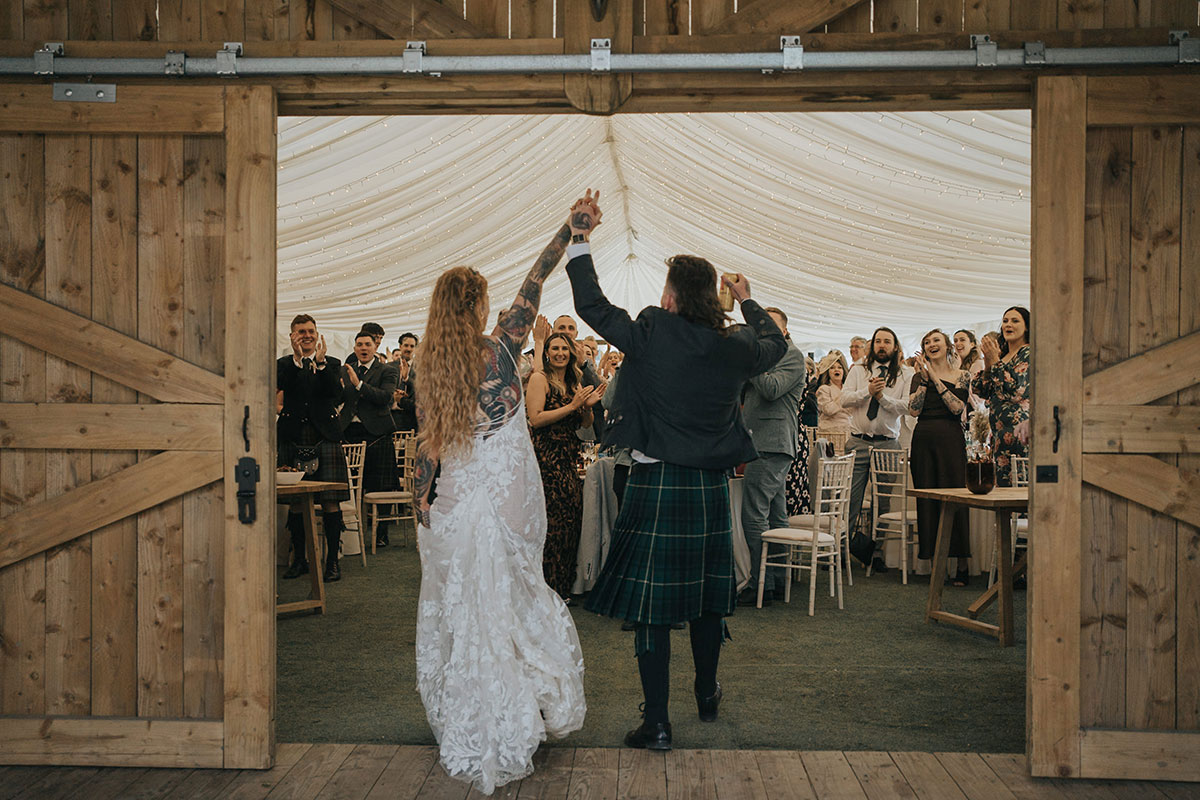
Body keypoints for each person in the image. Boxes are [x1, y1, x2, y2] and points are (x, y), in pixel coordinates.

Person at [567, 198, 786, 752]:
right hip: (709, 487)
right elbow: (777, 343)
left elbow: (592, 306)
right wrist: (747, 298)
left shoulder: (652, 328)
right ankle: (707, 695)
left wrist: (580, 238)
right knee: (709, 598)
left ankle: (658, 723)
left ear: (670, 295)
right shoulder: (737, 344)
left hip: (655, 481)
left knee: (653, 607)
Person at [410, 197, 589, 795]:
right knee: (516, 594)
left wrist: (421, 501)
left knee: (466, 607)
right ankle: (527, 708)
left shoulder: (428, 364)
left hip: (457, 497)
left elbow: (427, 446)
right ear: (481, 305)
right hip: (509, 492)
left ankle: (478, 711)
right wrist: (570, 230)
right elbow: (536, 280)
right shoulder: (505, 346)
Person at [737, 307, 807, 609]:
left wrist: (752, 360)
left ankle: (759, 584)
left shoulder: (791, 355)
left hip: (771, 443)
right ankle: (776, 580)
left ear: (785, 331)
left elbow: (771, 389)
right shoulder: (766, 355)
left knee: (753, 514)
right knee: (777, 516)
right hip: (763, 441)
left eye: (769, 326)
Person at [526, 331, 603, 600]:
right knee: (551, 524)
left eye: (564, 349)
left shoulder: (574, 382)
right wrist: (572, 406)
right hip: (545, 458)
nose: (560, 353)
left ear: (571, 353)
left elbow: (585, 424)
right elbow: (535, 419)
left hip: (568, 457)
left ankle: (562, 586)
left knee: (570, 520)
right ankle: (544, 588)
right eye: (555, 348)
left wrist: (586, 407)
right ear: (547, 353)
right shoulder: (539, 379)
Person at [276, 315, 350, 582]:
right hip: (294, 436)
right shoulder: (284, 364)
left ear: (317, 334)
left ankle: (332, 562)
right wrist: (298, 360)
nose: (306, 335)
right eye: (301, 331)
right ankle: (300, 560)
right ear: (292, 335)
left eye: (310, 331)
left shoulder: (332, 363)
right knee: (297, 502)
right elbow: (282, 386)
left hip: (325, 437)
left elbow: (334, 394)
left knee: (330, 500)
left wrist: (319, 363)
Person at [841, 327, 911, 569]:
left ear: (895, 346)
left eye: (887, 341)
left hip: (887, 443)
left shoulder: (905, 373)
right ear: (872, 346)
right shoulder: (858, 369)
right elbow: (844, 399)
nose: (882, 345)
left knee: (883, 501)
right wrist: (867, 392)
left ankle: (876, 554)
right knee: (850, 499)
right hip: (857, 441)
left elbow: (906, 406)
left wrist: (882, 398)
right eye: (878, 341)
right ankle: (842, 551)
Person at [908, 330, 972, 585]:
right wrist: (924, 381)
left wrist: (934, 377)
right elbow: (913, 410)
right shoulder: (917, 378)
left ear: (947, 346)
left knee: (956, 498)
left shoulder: (962, 375)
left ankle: (963, 564)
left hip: (950, 440)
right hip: (923, 440)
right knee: (928, 500)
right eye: (927, 342)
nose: (931, 344)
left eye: (936, 340)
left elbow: (957, 407)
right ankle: (937, 566)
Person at [339, 330, 400, 554]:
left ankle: (381, 533)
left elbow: (385, 397)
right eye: (359, 344)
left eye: (367, 344)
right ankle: (350, 534)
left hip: (377, 433)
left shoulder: (388, 370)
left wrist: (359, 385)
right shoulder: (346, 369)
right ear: (354, 348)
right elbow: (340, 399)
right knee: (350, 485)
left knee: (380, 485)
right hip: (349, 432)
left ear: (375, 347)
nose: (363, 348)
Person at [973, 307, 1031, 487]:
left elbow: (1015, 391)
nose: (1008, 325)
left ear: (1027, 327)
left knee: (1020, 489)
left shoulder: (1028, 353)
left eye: (1015, 321)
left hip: (1020, 433)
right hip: (998, 435)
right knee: (1002, 489)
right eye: (1005, 321)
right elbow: (981, 390)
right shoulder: (1002, 356)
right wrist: (989, 361)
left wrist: (994, 360)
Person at [814, 350, 852, 432]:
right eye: (832, 368)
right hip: (829, 432)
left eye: (839, 367)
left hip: (847, 430)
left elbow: (852, 411)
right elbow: (828, 410)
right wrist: (843, 395)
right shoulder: (824, 389)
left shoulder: (848, 389)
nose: (836, 370)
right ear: (828, 372)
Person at [391, 332, 419, 432]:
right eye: (406, 345)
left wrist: (406, 379)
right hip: (390, 417)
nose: (409, 349)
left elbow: (421, 389)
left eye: (412, 346)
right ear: (400, 346)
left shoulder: (422, 369)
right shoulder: (388, 367)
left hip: (411, 419)